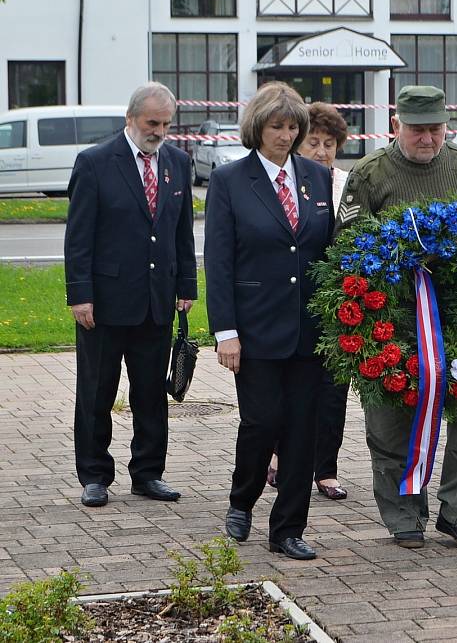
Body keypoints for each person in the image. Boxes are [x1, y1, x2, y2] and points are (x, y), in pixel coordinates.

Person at [335, 85, 457, 549]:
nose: (427, 139)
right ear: (395, 127)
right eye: (417, 130)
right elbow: (347, 250)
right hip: (392, 321)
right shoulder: (370, 175)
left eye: (435, 129)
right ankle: (404, 515)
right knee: (389, 426)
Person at [204, 81, 333, 560]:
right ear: (257, 128)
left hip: (309, 331)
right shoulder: (229, 180)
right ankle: (242, 501)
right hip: (254, 329)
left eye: (293, 126)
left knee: (303, 428)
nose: (286, 134)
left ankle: (288, 529)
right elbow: (218, 262)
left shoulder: (317, 179)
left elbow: (326, 251)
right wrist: (226, 332)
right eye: (277, 126)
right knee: (261, 421)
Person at [64, 82, 197, 508]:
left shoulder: (178, 163)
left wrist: (187, 287)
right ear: (130, 118)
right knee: (97, 392)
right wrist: (79, 294)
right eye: (151, 123)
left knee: (150, 396)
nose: (158, 131)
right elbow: (78, 237)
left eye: (165, 124)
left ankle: (147, 473)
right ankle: (95, 475)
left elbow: (181, 231)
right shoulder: (95, 163)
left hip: (156, 301)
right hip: (103, 304)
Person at [267, 102, 351, 500]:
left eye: (329, 143)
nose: (321, 151)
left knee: (333, 390)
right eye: (313, 142)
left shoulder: (347, 183)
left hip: (339, 302)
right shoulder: (289, 181)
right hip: (292, 300)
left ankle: (327, 469)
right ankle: (281, 457)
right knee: (289, 389)